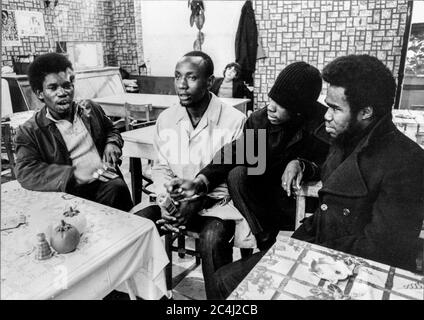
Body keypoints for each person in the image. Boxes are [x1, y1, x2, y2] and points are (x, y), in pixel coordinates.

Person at [213, 54, 424, 299]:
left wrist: (305, 256)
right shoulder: (344, 140)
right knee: (224, 280)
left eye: (335, 109)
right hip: (319, 251)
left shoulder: (407, 161)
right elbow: (323, 214)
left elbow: (383, 248)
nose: (326, 115)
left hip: (357, 273)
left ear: (366, 111)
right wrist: (288, 249)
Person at [169, 62, 329, 253]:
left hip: (300, 199)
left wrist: (303, 165)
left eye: (281, 105)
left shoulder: (323, 124)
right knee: (238, 174)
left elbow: (332, 164)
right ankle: (266, 244)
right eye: (271, 99)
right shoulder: (261, 121)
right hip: (265, 199)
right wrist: (200, 181)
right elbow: (235, 152)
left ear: (299, 110)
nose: (271, 107)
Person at [134, 51, 247, 299]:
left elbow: (236, 178)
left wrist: (196, 201)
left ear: (209, 81)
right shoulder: (166, 119)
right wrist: (168, 201)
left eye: (191, 77)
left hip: (216, 206)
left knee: (211, 239)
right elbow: (161, 168)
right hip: (175, 205)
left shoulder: (234, 120)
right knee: (138, 226)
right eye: (177, 77)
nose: (181, 85)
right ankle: (153, 296)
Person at [14, 53, 133, 212]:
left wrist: (112, 143)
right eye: (53, 87)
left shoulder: (90, 109)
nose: (62, 92)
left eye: (67, 85)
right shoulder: (29, 131)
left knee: (118, 190)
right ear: (39, 93)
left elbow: (111, 130)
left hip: (107, 184)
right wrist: (74, 173)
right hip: (70, 195)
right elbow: (26, 171)